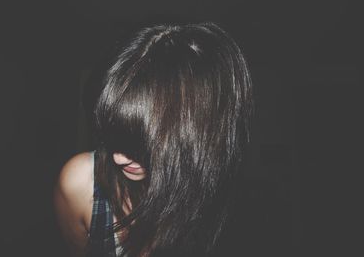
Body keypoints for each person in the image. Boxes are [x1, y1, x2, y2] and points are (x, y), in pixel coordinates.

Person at [54, 22, 253, 257]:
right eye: (113, 135)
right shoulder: (80, 183)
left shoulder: (220, 206)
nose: (118, 157)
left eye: (141, 143)